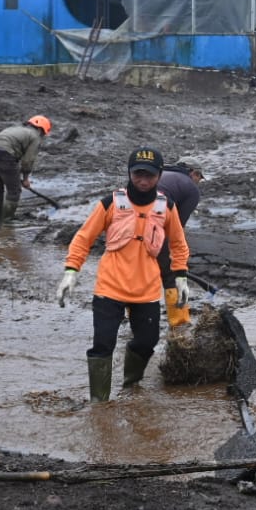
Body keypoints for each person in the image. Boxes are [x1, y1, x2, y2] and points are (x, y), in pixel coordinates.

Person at [56, 147, 189, 402]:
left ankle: (131, 387)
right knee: (103, 345)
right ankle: (100, 402)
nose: (143, 180)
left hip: (146, 290)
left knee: (147, 342)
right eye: (138, 174)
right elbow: (84, 238)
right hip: (110, 287)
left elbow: (179, 244)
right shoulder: (111, 203)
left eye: (149, 175)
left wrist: (181, 276)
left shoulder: (166, 207)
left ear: (159, 176)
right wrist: (71, 272)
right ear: (129, 173)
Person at [155, 157, 205, 327]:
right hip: (155, 224)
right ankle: (180, 323)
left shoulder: (158, 174)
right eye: (199, 177)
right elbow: (177, 224)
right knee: (171, 274)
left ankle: (133, 319)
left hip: (129, 224)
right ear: (194, 173)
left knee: (138, 272)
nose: (198, 182)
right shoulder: (191, 189)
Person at [0, 115, 52, 223]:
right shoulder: (35, 136)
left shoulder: (15, 128)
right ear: (41, 129)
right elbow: (28, 160)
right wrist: (26, 178)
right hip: (3, 154)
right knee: (14, 190)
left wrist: (15, 173)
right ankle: (7, 221)